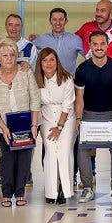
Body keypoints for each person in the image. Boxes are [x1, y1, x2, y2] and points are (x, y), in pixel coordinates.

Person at [0, 38, 41, 207]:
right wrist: (3, 128)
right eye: (4, 55)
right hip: (4, 126)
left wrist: (34, 125)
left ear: (16, 55)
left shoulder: (26, 72)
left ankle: (20, 192)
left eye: (11, 54)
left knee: (24, 159)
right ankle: (7, 193)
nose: (8, 58)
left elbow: (35, 99)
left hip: (26, 124)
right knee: (7, 159)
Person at [74, 31, 112, 204]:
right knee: (83, 150)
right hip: (89, 114)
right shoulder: (82, 69)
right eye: (94, 44)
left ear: (107, 45)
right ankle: (88, 187)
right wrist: (78, 119)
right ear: (90, 46)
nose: (98, 47)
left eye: (102, 44)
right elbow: (79, 97)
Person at [35, 48, 76, 205]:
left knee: (64, 152)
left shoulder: (66, 79)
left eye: (52, 60)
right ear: (40, 63)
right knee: (51, 152)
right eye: (45, 60)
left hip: (66, 120)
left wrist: (59, 127)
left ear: (57, 61)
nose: (48, 63)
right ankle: (51, 191)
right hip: (46, 119)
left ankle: (64, 190)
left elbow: (67, 105)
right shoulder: (36, 80)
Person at [32, 8, 85, 75]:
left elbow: (90, 57)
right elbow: (29, 51)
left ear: (66, 21)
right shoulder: (42, 38)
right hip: (47, 82)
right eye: (54, 19)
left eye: (61, 19)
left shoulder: (75, 40)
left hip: (69, 81)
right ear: (50, 21)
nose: (58, 23)